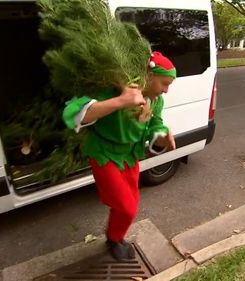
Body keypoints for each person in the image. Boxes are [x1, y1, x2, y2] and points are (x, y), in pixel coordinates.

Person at [63, 51, 176, 260]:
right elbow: (73, 114)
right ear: (150, 77)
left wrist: (161, 138)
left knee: (131, 202)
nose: (167, 90)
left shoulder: (155, 101)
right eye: (164, 83)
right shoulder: (116, 90)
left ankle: (116, 236)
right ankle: (114, 239)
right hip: (104, 153)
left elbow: (155, 126)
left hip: (130, 155)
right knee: (125, 206)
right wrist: (122, 101)